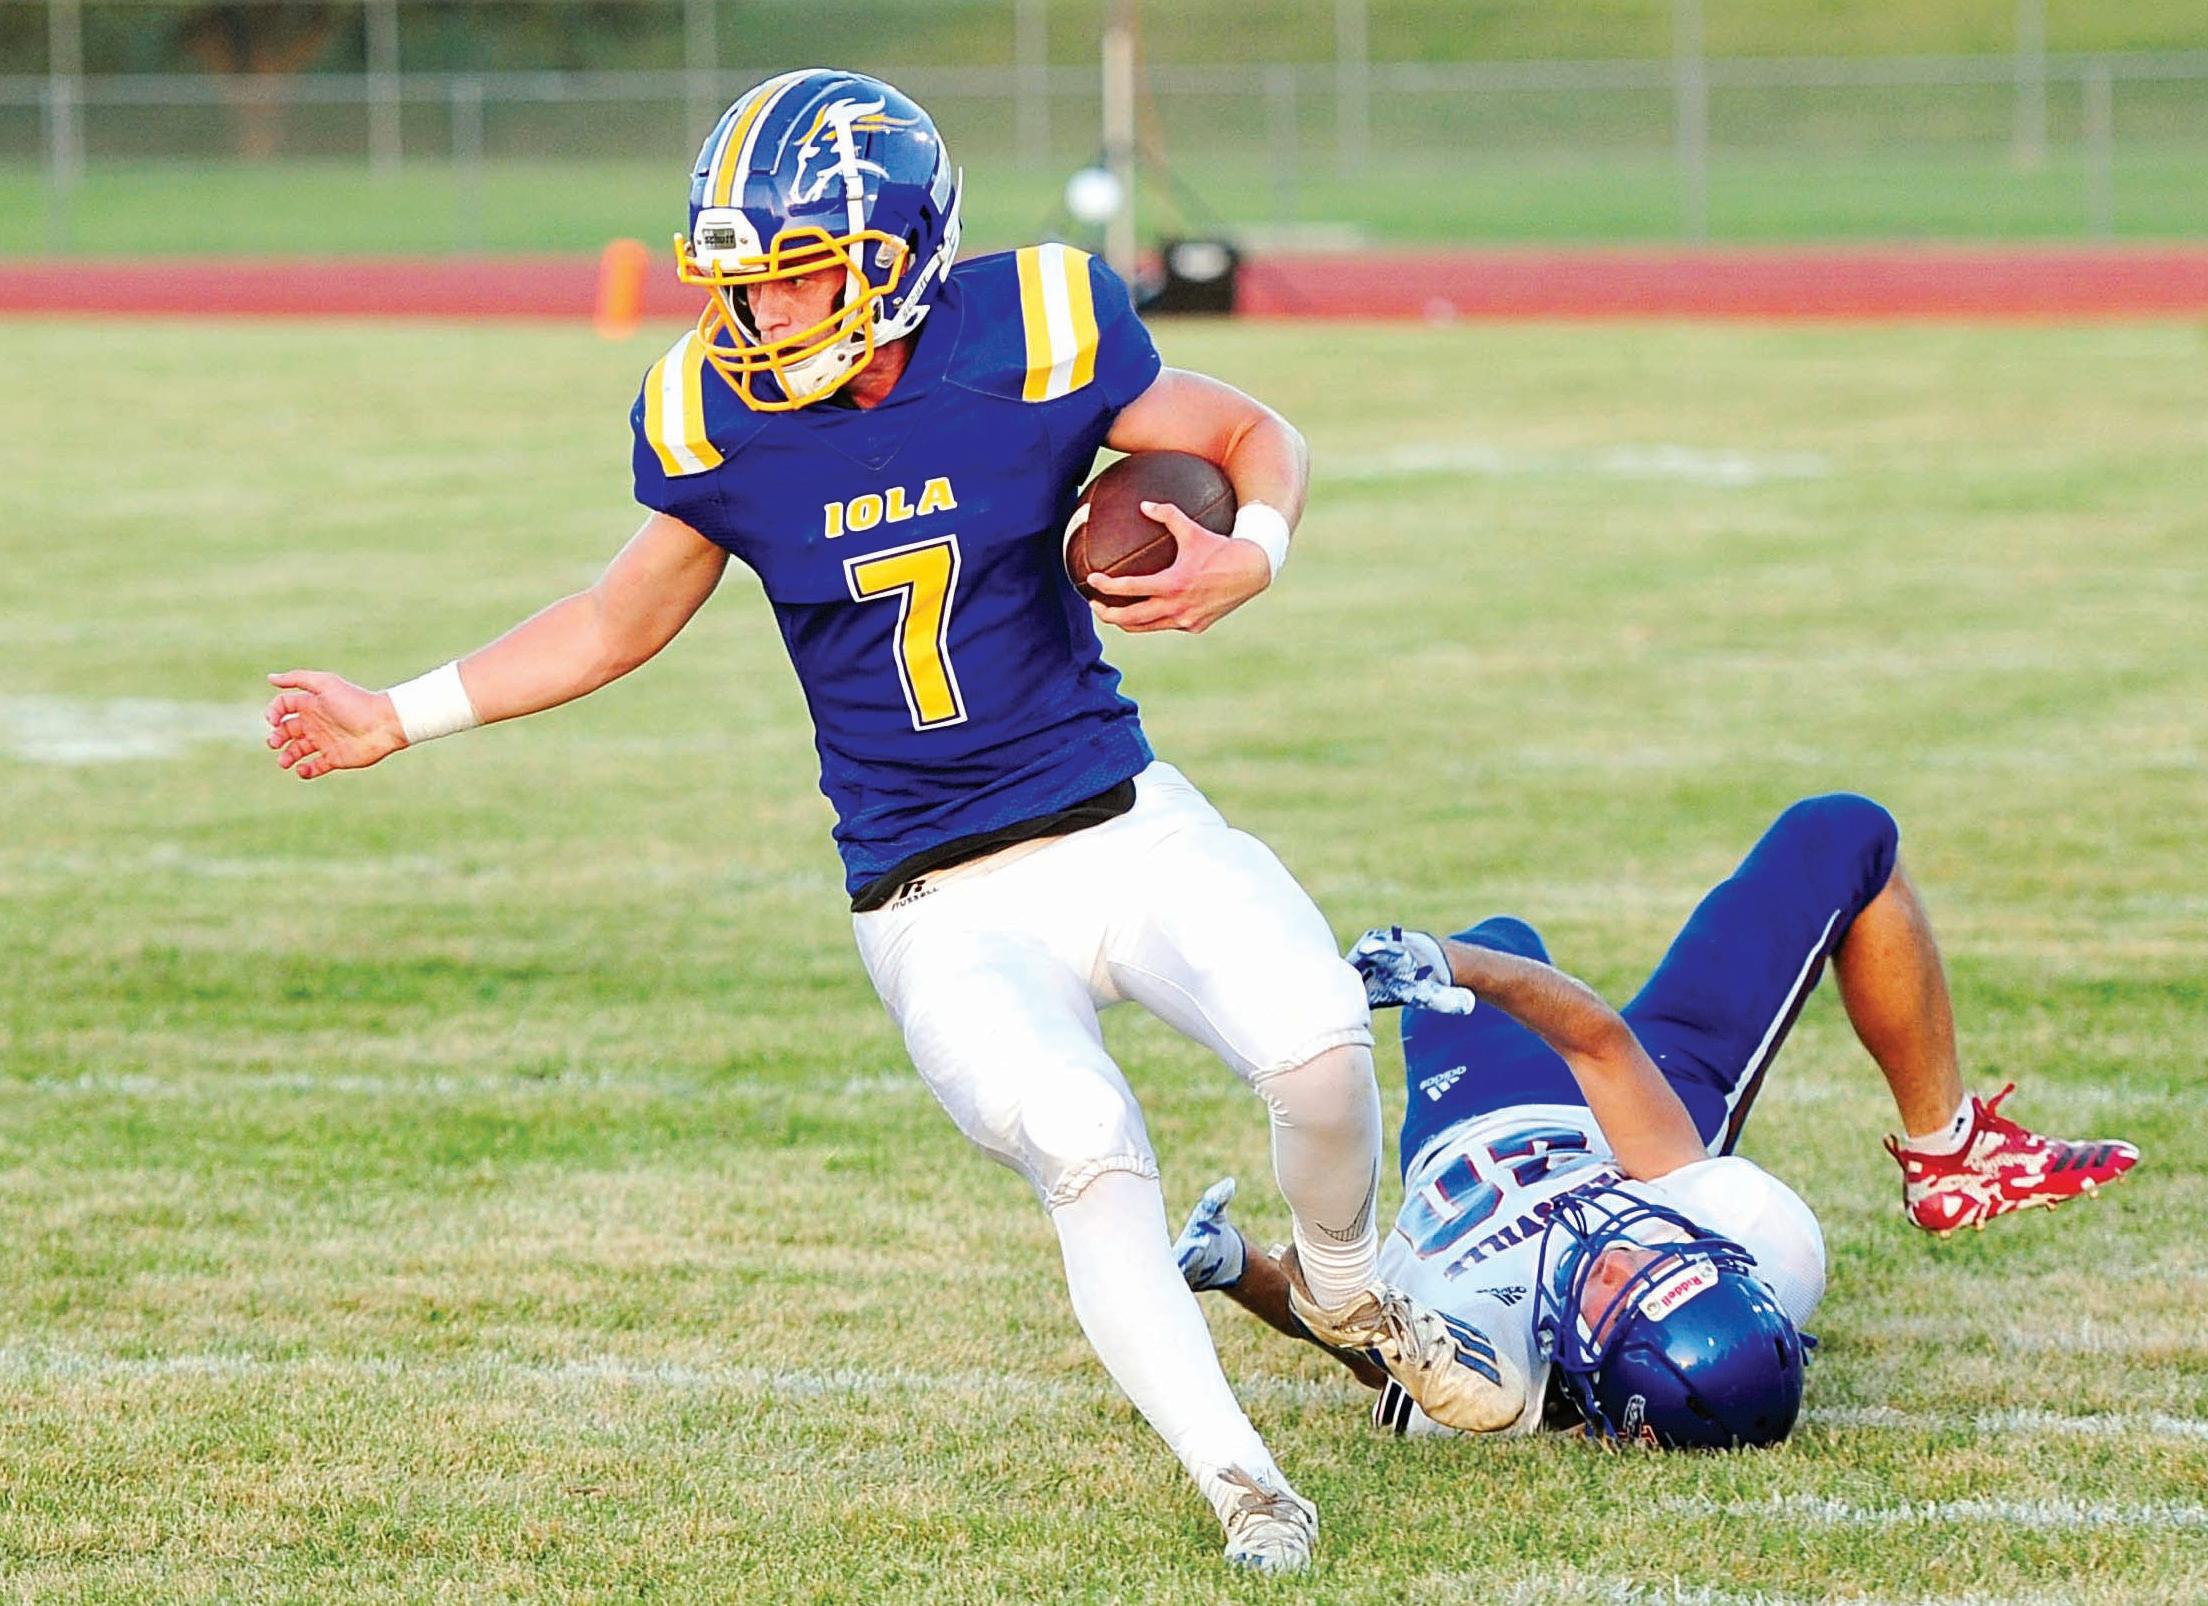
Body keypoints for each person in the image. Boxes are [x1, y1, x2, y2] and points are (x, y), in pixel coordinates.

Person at [259, 67, 1505, 1570]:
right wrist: (396, 714)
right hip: (934, 899)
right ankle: (1247, 1484)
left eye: (797, 273)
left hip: (1118, 820)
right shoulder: (716, 414)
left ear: (900, 256)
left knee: (1317, 1038)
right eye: (742, 279)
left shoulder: (1035, 325)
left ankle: (1348, 1287)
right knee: (1085, 1136)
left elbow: (1253, 431)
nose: (758, 311)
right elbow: (611, 618)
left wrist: (1257, 549)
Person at [1173, 793, 2141, 1444]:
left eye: (1621, 1288)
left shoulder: (1489, 1367)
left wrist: (1234, 1269)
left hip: (1475, 1123)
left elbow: (1354, 1330)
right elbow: (1599, 1046)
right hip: (1643, 1122)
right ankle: (1951, 1151)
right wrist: (1455, 964)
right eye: (1667, 1258)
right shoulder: (1753, 1233)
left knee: (1500, 934)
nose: (1626, 1246)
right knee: (1841, 833)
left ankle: (1481, 954)